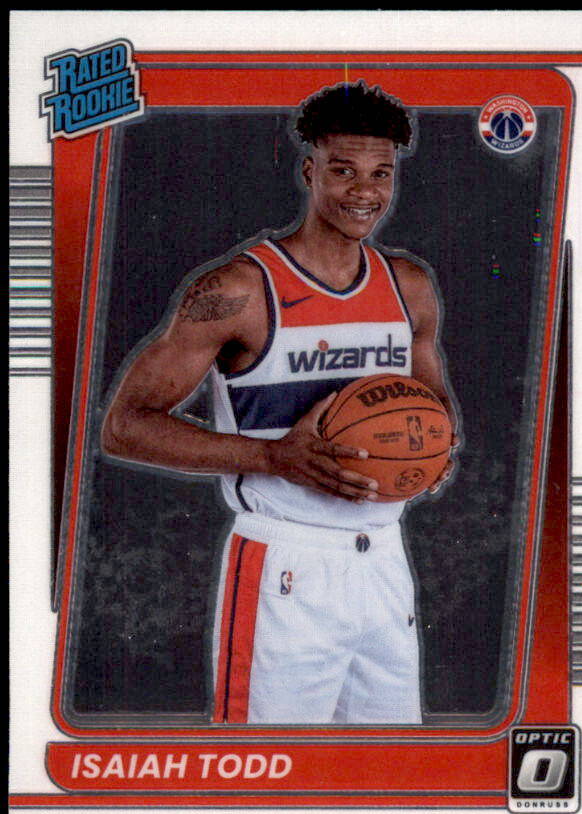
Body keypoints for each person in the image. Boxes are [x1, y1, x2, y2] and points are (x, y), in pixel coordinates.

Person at [101, 81, 459, 725]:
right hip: (286, 565)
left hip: (385, 561)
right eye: (343, 170)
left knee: (386, 770)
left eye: (380, 173)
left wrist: (431, 451)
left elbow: (432, 405)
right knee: (269, 767)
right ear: (309, 171)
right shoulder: (240, 290)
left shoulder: (408, 286)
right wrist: (271, 457)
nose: (364, 191)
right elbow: (124, 427)